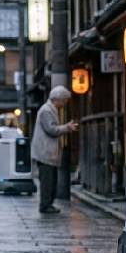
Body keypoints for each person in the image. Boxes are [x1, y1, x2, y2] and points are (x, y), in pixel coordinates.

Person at [31, 86, 78, 214]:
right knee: (47, 181)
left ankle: (48, 204)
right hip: (44, 152)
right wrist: (66, 127)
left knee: (51, 180)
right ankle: (45, 205)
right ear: (58, 99)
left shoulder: (51, 109)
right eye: (64, 101)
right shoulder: (46, 110)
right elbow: (51, 130)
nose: (64, 104)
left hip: (48, 152)